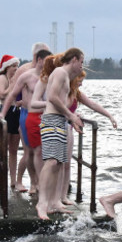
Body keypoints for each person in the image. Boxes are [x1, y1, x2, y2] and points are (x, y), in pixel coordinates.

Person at [32, 66, 118, 207]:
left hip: (69, 128)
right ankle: (52, 197)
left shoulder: (76, 93)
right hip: (57, 125)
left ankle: (63, 195)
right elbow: (50, 106)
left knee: (66, 164)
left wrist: (109, 115)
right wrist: (70, 115)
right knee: (55, 163)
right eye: (80, 80)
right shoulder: (62, 91)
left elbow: (92, 104)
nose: (81, 83)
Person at [35, 48, 85, 220]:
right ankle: (42, 203)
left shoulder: (66, 77)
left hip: (61, 121)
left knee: (59, 163)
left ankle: (55, 201)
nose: (82, 66)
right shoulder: (60, 72)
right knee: (51, 161)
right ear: (74, 60)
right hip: (51, 120)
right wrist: (70, 115)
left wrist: (71, 119)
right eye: (82, 62)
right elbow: (53, 98)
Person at [0, 48, 51, 194]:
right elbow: (11, 95)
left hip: (44, 116)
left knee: (42, 152)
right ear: (39, 59)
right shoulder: (26, 75)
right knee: (29, 152)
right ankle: (26, 182)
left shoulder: (49, 76)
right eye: (46, 61)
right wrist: (2, 112)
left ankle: (40, 183)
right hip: (27, 115)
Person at [0, 54, 22, 190]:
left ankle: (13, 179)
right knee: (3, 149)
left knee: (14, 149)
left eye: (17, 66)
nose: (15, 69)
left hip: (16, 111)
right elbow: (2, 94)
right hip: (5, 112)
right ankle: (2, 178)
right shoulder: (2, 78)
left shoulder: (17, 79)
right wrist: (11, 85)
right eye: (13, 66)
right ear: (6, 67)